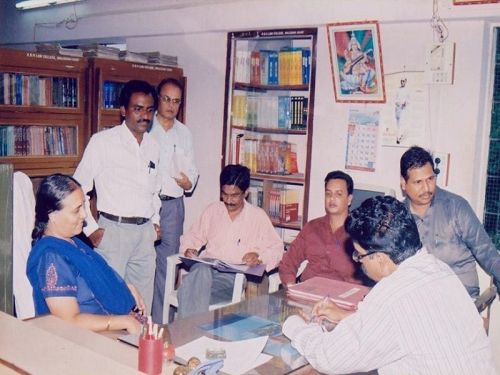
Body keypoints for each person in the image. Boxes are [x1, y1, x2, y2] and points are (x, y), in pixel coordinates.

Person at [283, 196, 496, 374]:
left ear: (382, 259)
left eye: (360, 255)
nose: (359, 261)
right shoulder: (439, 270)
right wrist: (349, 317)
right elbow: (409, 325)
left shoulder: (393, 294)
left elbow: (330, 357)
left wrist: (295, 326)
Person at [73, 79, 161, 314]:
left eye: (150, 110)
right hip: (113, 233)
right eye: (138, 109)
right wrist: (90, 228)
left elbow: (155, 190)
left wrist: (155, 223)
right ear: (123, 110)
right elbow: (79, 187)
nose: (145, 116)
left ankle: (137, 349)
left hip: (144, 236)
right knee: (109, 303)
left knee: (143, 304)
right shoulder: (103, 142)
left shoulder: (154, 146)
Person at [27, 174, 143, 333]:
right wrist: (123, 321)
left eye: (83, 206)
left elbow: (93, 283)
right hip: (87, 339)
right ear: (53, 215)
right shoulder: (52, 257)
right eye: (76, 210)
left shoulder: (72, 241)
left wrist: (124, 288)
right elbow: (68, 320)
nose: (84, 214)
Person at [177, 164, 284, 318]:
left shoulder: (257, 217)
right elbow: (192, 237)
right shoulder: (212, 210)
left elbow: (277, 248)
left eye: (234, 195)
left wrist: (259, 257)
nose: (228, 200)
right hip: (204, 272)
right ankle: (192, 332)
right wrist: (188, 249)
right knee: (200, 272)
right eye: (224, 194)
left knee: (189, 290)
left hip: (231, 280)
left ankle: (184, 332)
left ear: (245, 193)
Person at [400, 146, 500, 298]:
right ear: (403, 183)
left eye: (430, 179)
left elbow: (486, 250)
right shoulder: (398, 216)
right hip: (419, 298)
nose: (426, 188)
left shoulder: (456, 207)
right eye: (418, 182)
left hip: (460, 297)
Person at [149, 78, 199, 324]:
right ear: (158, 98)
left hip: (172, 207)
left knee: (167, 268)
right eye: (166, 99)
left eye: (176, 101)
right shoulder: (145, 127)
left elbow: (192, 171)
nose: (170, 105)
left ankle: (161, 325)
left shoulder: (184, 132)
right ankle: (139, 320)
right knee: (142, 263)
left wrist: (189, 182)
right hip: (146, 205)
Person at [278, 170, 364, 286]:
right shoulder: (312, 227)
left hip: (340, 298)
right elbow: (288, 262)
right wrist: (290, 286)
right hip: (307, 293)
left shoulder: (358, 232)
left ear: (349, 199)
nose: (332, 199)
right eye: (328, 194)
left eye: (338, 194)